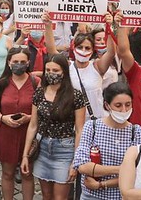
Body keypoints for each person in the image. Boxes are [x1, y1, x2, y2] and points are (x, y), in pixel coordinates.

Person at [21, 53, 86, 200]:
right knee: (47, 195)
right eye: (48, 70)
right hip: (42, 146)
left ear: (64, 71)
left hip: (64, 149)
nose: (51, 74)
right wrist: (25, 155)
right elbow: (33, 125)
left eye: (55, 71)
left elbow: (79, 129)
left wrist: (75, 161)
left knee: (60, 197)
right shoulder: (39, 92)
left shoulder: (75, 96)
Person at [73, 82, 141, 199]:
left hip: (120, 196)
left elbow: (137, 172)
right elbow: (82, 166)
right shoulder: (92, 127)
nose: (124, 110)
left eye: (128, 105)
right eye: (118, 105)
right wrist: (123, 169)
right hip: (91, 196)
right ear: (107, 105)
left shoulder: (137, 132)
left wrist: (101, 184)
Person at [43, 15, 116, 120]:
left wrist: (109, 26)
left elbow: (111, 52)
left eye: (87, 48)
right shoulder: (67, 66)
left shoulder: (97, 67)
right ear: (73, 48)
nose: (83, 50)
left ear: (92, 50)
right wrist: (48, 25)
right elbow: (51, 51)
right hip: (72, 121)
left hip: (95, 120)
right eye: (80, 47)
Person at [0, 46, 38, 200]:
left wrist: (29, 117)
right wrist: (3, 118)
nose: (19, 64)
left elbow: (43, 110)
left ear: (28, 62)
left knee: (27, 173)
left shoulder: (35, 82)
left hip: (28, 133)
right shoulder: (2, 83)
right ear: (9, 62)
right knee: (8, 173)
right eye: (15, 61)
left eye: (22, 61)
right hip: (7, 132)